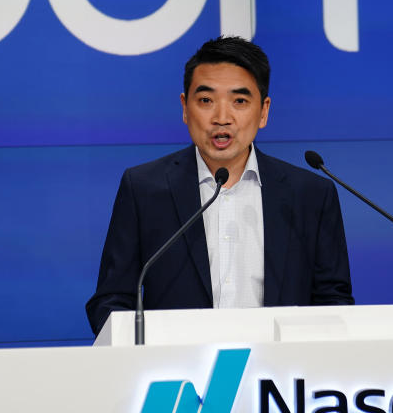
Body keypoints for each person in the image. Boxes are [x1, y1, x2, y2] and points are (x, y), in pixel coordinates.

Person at [85, 36, 353, 335]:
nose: (222, 118)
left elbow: (333, 303)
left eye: (240, 101)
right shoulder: (144, 188)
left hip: (278, 375)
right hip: (177, 376)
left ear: (263, 111)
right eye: (206, 101)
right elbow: (111, 300)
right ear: (185, 107)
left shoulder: (311, 195)